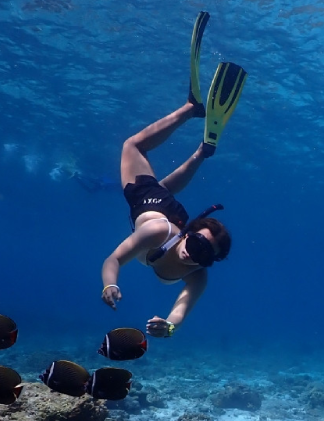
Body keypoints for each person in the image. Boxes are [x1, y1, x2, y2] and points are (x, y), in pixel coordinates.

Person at [101, 11, 246, 338]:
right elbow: (114, 259)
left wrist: (169, 326)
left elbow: (181, 308)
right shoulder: (157, 233)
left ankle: (201, 152)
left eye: (202, 255)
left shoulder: (198, 276)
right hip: (152, 210)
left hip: (168, 208)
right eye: (195, 243)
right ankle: (191, 108)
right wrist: (110, 282)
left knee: (164, 188)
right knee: (133, 147)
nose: (191, 254)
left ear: (210, 261)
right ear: (188, 235)